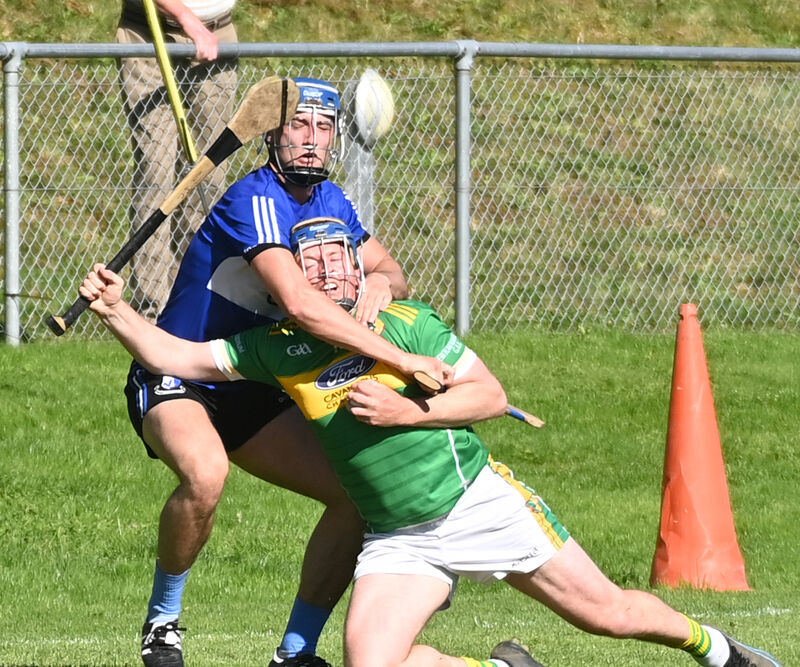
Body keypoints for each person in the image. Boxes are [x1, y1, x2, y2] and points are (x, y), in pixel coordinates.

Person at [80, 218, 783, 667]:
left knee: (611, 615)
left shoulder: (409, 322)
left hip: (479, 505)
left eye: (340, 259)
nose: (331, 271)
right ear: (296, 280)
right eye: (313, 262)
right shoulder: (281, 347)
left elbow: (490, 396)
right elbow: (180, 357)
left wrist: (405, 412)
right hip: (400, 538)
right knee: (371, 664)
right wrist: (116, 311)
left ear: (358, 270)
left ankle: (716, 648)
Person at [113, 74, 450, 667]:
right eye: (298, 124)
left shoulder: (333, 201)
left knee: (353, 495)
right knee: (206, 475)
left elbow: (393, 271)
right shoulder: (254, 199)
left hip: (252, 378)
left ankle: (295, 653)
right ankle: (162, 622)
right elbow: (299, 304)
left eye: (324, 127)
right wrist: (400, 358)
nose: (312, 138)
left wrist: (378, 281)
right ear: (273, 133)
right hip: (181, 369)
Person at [117, 0, 239, 321]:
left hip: (217, 33)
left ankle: (194, 302)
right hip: (150, 32)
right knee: (156, 177)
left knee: (209, 178)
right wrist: (187, 18)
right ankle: (151, 312)